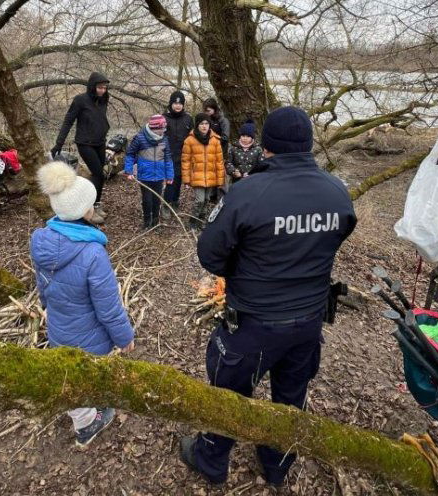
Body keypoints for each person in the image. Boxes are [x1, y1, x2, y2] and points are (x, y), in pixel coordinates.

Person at [179, 106, 357, 486]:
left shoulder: (247, 192)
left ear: (267, 147)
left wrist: (246, 267)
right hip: (308, 321)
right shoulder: (336, 191)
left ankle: (211, 461)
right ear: (308, 144)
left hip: (253, 324)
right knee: (291, 397)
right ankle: (277, 465)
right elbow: (339, 235)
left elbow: (210, 254)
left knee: (227, 397)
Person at [30, 161, 136, 447]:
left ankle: (86, 408)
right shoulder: (92, 252)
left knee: (71, 370)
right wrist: (124, 337)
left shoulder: (41, 239)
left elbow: (42, 284)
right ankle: (87, 423)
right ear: (85, 210)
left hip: (59, 325)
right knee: (82, 378)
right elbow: (108, 306)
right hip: (88, 333)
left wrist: (47, 307)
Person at [50, 72, 111, 224]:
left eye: (104, 87)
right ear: (92, 86)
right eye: (99, 87)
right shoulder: (80, 100)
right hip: (85, 143)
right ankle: (88, 208)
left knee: (100, 174)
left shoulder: (104, 98)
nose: (102, 90)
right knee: (98, 174)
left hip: (100, 142)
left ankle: (96, 204)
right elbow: (68, 121)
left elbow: (99, 118)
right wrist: (59, 143)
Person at [124, 115, 175, 230]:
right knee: (147, 200)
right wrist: (129, 170)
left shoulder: (164, 139)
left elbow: (168, 158)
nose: (164, 130)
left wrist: (169, 175)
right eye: (162, 128)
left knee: (157, 200)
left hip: (159, 176)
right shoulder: (140, 138)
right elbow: (130, 154)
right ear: (155, 128)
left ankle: (155, 222)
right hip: (145, 176)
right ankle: (147, 222)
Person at [182, 113, 225, 229]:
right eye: (201, 124)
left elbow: (219, 161)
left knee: (206, 200)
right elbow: (185, 161)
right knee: (199, 200)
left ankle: (201, 222)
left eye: (206, 124)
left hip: (211, 175)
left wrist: (221, 179)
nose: (204, 126)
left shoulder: (215, 140)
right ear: (197, 125)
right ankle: (193, 222)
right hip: (197, 175)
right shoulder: (189, 140)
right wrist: (186, 179)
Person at [162, 90, 193, 218]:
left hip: (183, 155)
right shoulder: (164, 118)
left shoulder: (188, 118)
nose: (178, 105)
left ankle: (175, 200)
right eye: (175, 103)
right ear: (171, 104)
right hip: (168, 155)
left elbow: (193, 136)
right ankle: (166, 205)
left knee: (179, 179)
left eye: (180, 103)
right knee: (171, 180)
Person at [225, 120, 263, 190]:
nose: (245, 138)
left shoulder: (258, 149)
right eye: (243, 135)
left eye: (248, 136)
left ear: (252, 137)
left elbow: (262, 165)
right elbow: (228, 163)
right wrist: (233, 171)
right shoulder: (234, 148)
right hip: (237, 182)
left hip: (253, 182)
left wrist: (252, 174)